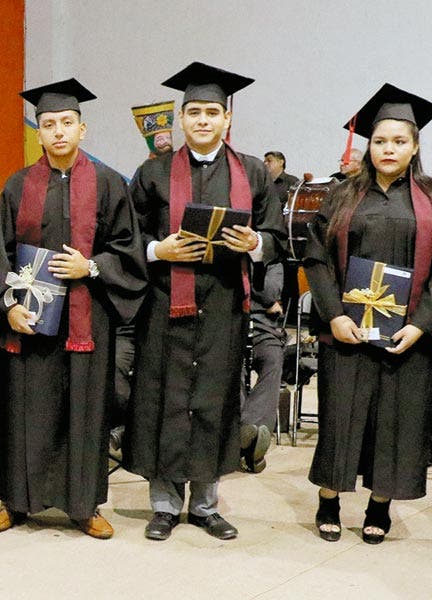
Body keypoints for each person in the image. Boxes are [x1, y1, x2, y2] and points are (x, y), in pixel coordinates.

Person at [124, 62, 285, 542]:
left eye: (212, 112)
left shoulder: (252, 172)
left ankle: (205, 506)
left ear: (227, 118)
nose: (202, 120)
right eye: (193, 112)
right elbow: (125, 237)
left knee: (214, 402)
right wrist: (160, 250)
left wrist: (254, 243)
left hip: (223, 306)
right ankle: (164, 505)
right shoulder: (152, 172)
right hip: (165, 305)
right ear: (181, 117)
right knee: (166, 402)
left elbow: (276, 236)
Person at [0, 78, 146, 538]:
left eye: (67, 123)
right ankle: (15, 502)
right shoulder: (18, 186)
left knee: (84, 413)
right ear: (38, 132)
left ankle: (84, 506)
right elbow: (1, 255)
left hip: (86, 322)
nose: (58, 131)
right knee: (24, 413)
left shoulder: (109, 184)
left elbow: (128, 249)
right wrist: (8, 307)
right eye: (49, 124)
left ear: (82, 129)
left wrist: (90, 266)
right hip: (29, 323)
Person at [303, 84, 432, 544]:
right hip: (348, 331)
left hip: (408, 336)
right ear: (368, 146)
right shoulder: (341, 196)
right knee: (341, 418)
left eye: (398, 141)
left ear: (414, 146)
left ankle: (380, 506)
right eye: (379, 141)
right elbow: (316, 257)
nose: (388, 149)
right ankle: (329, 499)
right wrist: (334, 316)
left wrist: (422, 325)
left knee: (396, 425)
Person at [239, 261, 285, 473]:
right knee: (232, 368)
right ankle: (250, 446)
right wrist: (268, 302)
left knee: (273, 360)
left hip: (264, 331)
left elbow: (269, 291)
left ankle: (248, 428)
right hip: (234, 327)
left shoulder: (273, 263)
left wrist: (251, 275)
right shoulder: (230, 257)